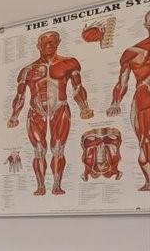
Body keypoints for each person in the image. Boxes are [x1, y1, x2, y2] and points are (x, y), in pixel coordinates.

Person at [7, 31, 94, 195]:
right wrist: (14, 116)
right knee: (39, 150)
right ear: (38, 46)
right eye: (45, 43)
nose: (48, 45)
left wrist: (84, 108)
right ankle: (40, 186)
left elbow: (78, 87)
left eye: (52, 42)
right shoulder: (27, 70)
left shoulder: (69, 63)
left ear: (58, 43)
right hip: (36, 111)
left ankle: (56, 185)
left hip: (60, 108)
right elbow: (20, 96)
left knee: (58, 149)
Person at [106, 11, 150, 191]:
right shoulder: (132, 52)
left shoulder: (133, 52)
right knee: (145, 141)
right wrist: (115, 102)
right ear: (146, 25)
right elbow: (122, 82)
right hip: (144, 98)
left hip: (143, 97)